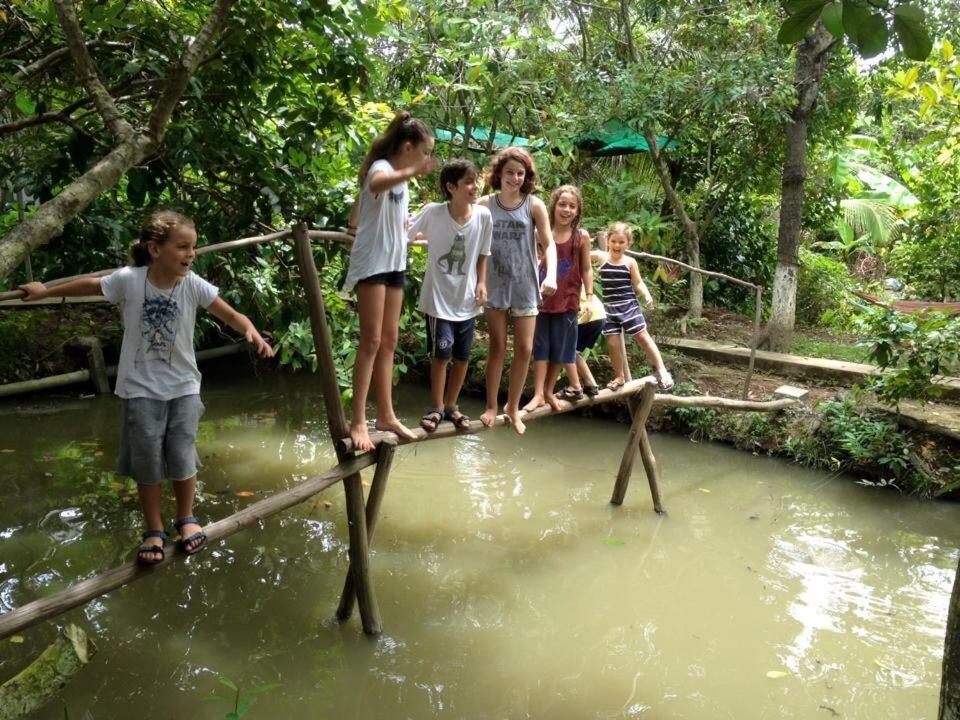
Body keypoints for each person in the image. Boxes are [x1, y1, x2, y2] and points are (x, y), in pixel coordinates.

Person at [19, 210, 273, 565]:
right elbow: (92, 285)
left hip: (183, 385)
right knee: (147, 460)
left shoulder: (193, 284)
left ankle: (186, 518)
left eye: (194, 247)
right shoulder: (131, 280)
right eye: (183, 247)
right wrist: (45, 291)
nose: (191, 254)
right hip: (140, 388)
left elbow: (231, 314)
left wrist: (250, 330)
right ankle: (153, 528)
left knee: (182, 454)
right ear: (155, 250)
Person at [343, 111, 437, 452]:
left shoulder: (401, 180)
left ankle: (385, 415)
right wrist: (411, 170)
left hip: (395, 263)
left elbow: (398, 222)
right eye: (425, 153)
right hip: (372, 264)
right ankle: (357, 420)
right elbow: (375, 185)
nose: (427, 160)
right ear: (408, 147)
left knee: (390, 340)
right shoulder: (383, 168)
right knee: (370, 341)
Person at [406, 159, 491, 432]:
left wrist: (482, 283)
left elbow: (483, 253)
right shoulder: (433, 212)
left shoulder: (483, 216)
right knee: (442, 355)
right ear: (451, 187)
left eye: (475, 180)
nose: (475, 186)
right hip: (438, 299)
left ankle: (452, 406)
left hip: (466, 299)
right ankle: (436, 407)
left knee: (463, 357)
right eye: (468, 181)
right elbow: (406, 232)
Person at [478, 146, 556, 435]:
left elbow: (548, 243)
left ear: (527, 176)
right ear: (499, 173)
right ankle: (491, 405)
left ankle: (512, 407)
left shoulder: (533, 204)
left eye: (520, 173)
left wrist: (552, 276)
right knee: (497, 346)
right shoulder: (485, 204)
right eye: (510, 172)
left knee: (524, 348)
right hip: (495, 283)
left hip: (524, 283)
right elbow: (466, 233)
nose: (515, 178)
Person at [523, 185, 593, 412]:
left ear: (578, 211)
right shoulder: (541, 234)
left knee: (561, 348)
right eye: (562, 204)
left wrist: (589, 298)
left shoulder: (581, 237)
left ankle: (548, 391)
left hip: (569, 301)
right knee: (540, 347)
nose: (567, 209)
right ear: (553, 207)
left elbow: (586, 268)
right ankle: (537, 394)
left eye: (572, 206)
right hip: (542, 300)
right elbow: (533, 263)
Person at [595, 221, 673, 392]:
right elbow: (581, 252)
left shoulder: (630, 262)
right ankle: (619, 376)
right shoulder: (601, 257)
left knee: (643, 338)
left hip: (628, 306)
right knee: (613, 344)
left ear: (628, 244)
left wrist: (647, 295)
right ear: (608, 240)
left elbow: (638, 283)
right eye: (614, 241)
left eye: (621, 242)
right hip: (609, 308)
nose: (617, 245)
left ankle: (662, 370)